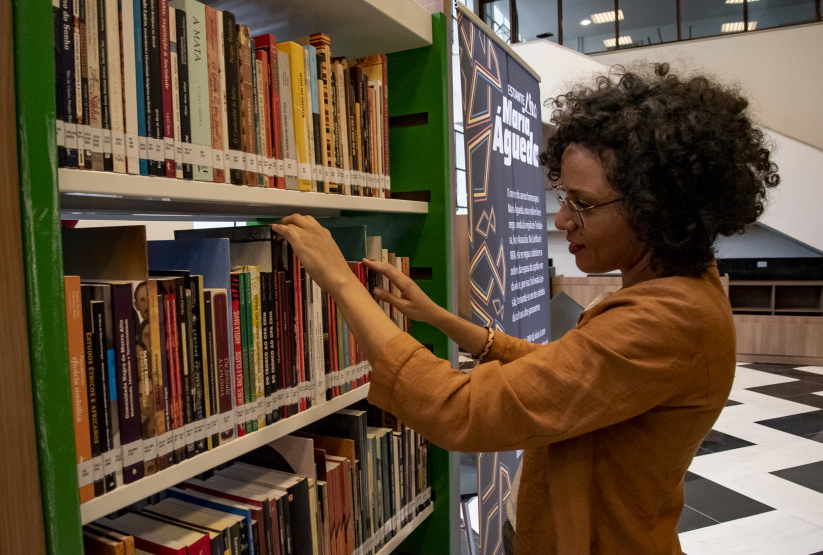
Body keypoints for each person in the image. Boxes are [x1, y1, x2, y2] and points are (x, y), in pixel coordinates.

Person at [271, 63, 779, 554]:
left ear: (655, 207)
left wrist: (339, 280)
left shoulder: (670, 317)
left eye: (581, 204)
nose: (561, 219)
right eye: (562, 196)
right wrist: (441, 319)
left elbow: (461, 410)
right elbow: (567, 374)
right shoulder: (671, 288)